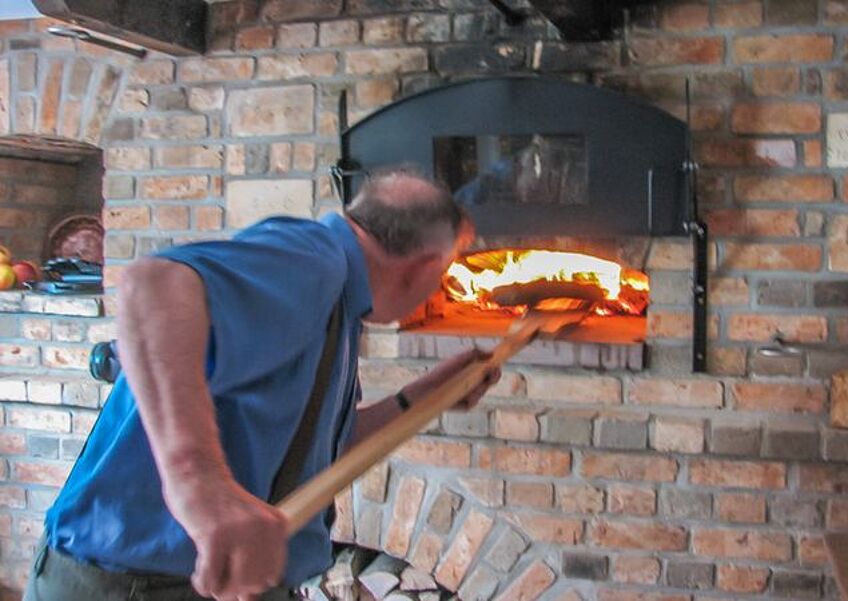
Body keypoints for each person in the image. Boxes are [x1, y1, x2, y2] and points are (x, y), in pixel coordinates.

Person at [25, 168, 500, 601]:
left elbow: (318, 449)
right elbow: (152, 285)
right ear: (424, 266)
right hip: (131, 584)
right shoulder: (314, 257)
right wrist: (199, 483)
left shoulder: (339, 301)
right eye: (444, 273)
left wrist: (417, 399)